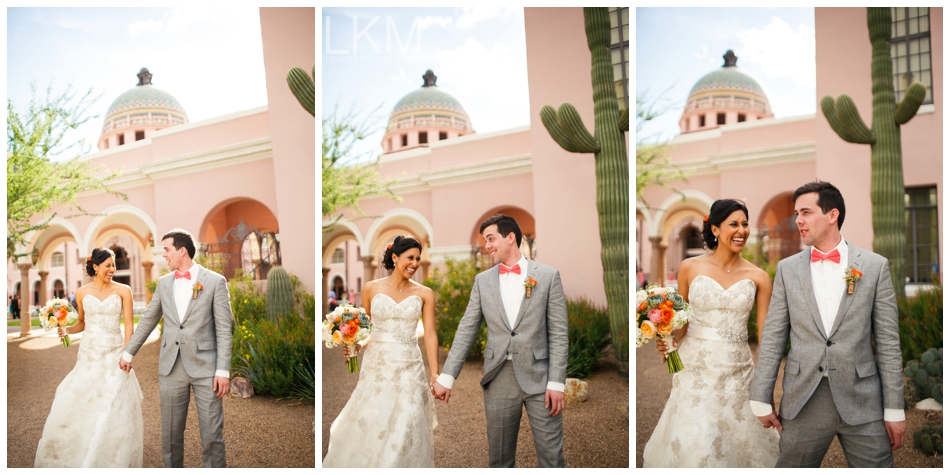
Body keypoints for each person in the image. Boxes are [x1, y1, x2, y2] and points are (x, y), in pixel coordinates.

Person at [750, 181, 904, 467]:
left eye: (806, 212)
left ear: (832, 215)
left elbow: (888, 343)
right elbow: (772, 336)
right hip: (803, 399)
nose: (798, 220)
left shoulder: (874, 266)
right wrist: (760, 396)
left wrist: (894, 408)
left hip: (863, 401)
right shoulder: (787, 269)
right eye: (796, 214)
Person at [643, 199, 779, 467]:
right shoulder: (689, 267)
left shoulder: (760, 276)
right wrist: (668, 340)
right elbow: (680, 321)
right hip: (695, 369)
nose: (742, 230)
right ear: (715, 229)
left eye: (745, 224)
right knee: (698, 439)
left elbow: (767, 340)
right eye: (734, 224)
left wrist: (765, 391)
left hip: (739, 372)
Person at [432, 214, 568, 468]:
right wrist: (447, 377)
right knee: (500, 460)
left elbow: (559, 333)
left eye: (491, 238)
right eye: (485, 241)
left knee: (552, 458)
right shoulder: (482, 281)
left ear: (511, 237)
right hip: (499, 379)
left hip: (541, 378)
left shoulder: (549, 276)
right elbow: (466, 329)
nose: (487, 246)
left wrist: (557, 382)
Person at [120, 229, 233, 468]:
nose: (164, 256)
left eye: (167, 250)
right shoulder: (163, 284)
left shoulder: (214, 281)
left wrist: (223, 370)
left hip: (207, 369)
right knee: (170, 436)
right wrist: (128, 352)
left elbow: (224, 329)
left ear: (182, 251)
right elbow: (148, 319)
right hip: (171, 368)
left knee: (212, 435)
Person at [323, 235, 439, 467]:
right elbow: (366, 330)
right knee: (375, 417)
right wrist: (354, 345)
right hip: (377, 367)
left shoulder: (425, 293)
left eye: (418, 258)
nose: (415, 263)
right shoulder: (370, 288)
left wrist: (435, 373)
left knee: (408, 421)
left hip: (410, 366)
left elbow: (429, 334)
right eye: (410, 257)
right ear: (395, 257)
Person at [35, 247, 143, 467]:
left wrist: (127, 353)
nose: (112, 269)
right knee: (82, 398)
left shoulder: (124, 290)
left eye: (114, 265)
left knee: (113, 401)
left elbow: (130, 325)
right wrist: (65, 330)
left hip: (114, 354)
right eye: (108, 265)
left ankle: (109, 454)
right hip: (89, 355)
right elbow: (82, 323)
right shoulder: (82, 292)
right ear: (95, 266)